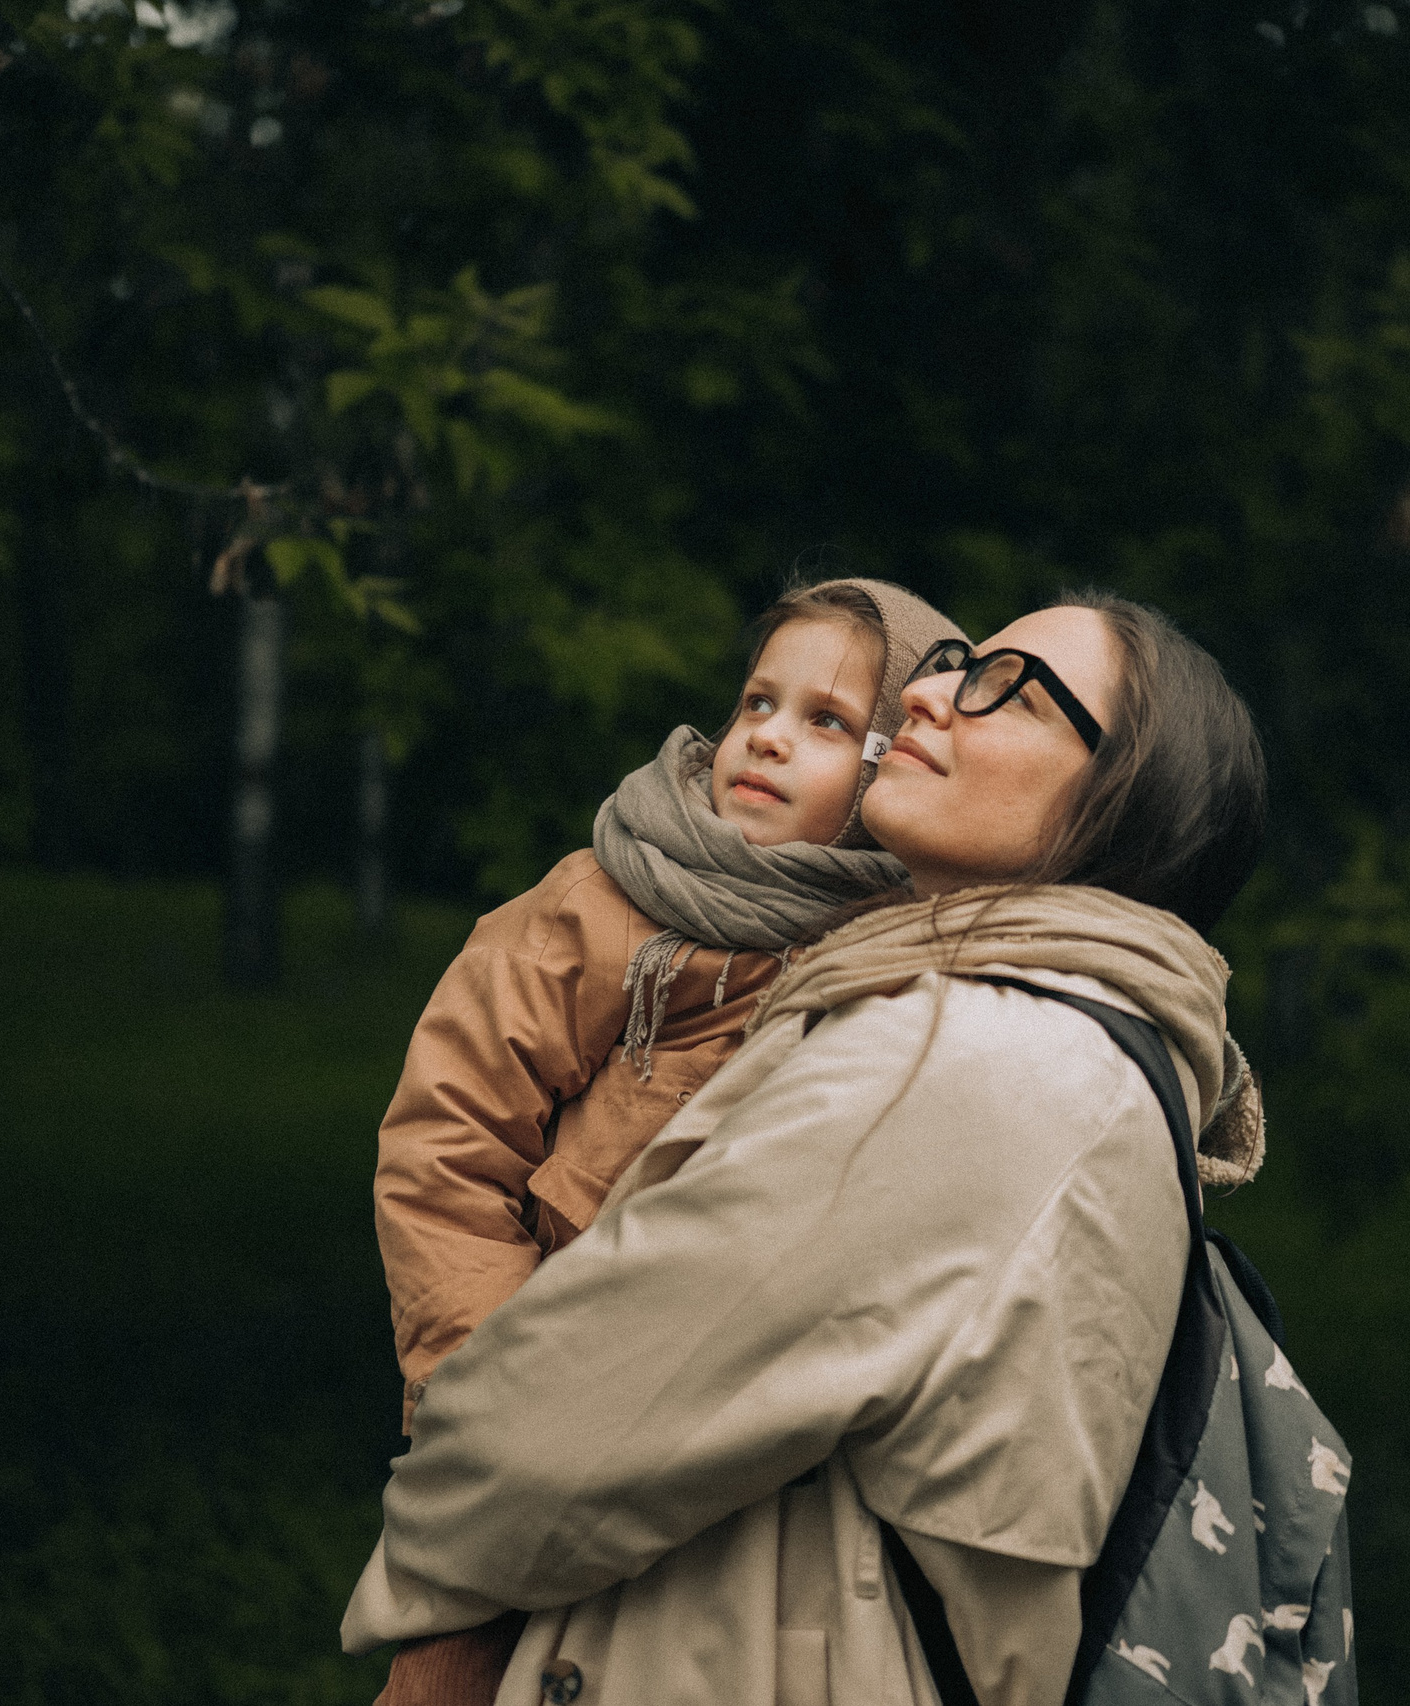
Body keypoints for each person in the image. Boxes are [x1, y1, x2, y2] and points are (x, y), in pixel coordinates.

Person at [341, 591, 1272, 1706]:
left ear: (1124, 803)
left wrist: (438, 1587)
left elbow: (573, 1419)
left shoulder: (963, 1049)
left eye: (1005, 687)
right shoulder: (1075, 1046)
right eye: (955, 664)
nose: (928, 690)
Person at [369, 576, 966, 1705]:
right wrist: (478, 1382)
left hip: (730, 1428)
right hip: (534, 1384)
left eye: (827, 721)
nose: (769, 737)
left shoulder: (898, 945)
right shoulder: (610, 897)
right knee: (456, 1665)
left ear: (899, 768)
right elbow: (447, 1139)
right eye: (758, 702)